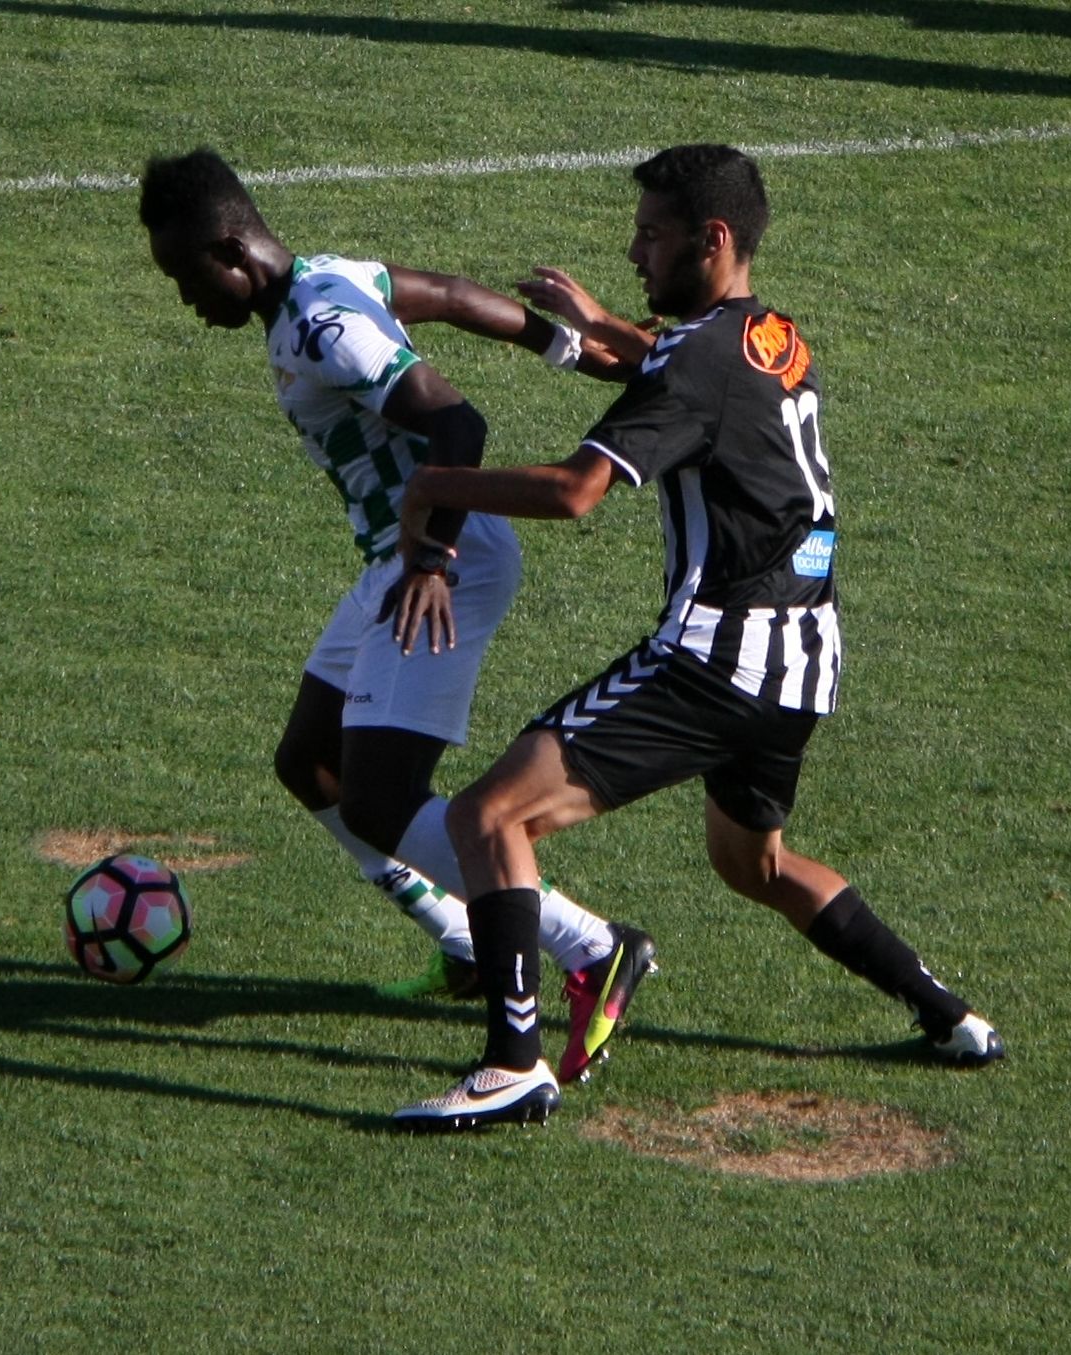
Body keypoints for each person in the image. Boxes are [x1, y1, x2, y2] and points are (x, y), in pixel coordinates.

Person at [393, 144, 1004, 1131]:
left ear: (711, 240)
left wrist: (434, 486)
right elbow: (690, 374)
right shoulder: (771, 336)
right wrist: (602, 327)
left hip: (716, 659)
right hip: (803, 664)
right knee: (753, 864)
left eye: (652, 234)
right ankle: (950, 1016)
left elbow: (577, 491)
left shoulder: (694, 361)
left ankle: (512, 1062)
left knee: (489, 815)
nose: (634, 252)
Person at [137, 149, 656, 1084]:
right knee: (311, 759)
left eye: (185, 277)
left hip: (444, 563)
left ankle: (592, 946)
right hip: (402, 559)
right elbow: (451, 295)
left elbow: (460, 426)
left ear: (231, 250)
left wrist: (433, 558)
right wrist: (564, 349)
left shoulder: (320, 326)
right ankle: (462, 939)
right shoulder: (326, 276)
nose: (186, 300)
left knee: (381, 796)